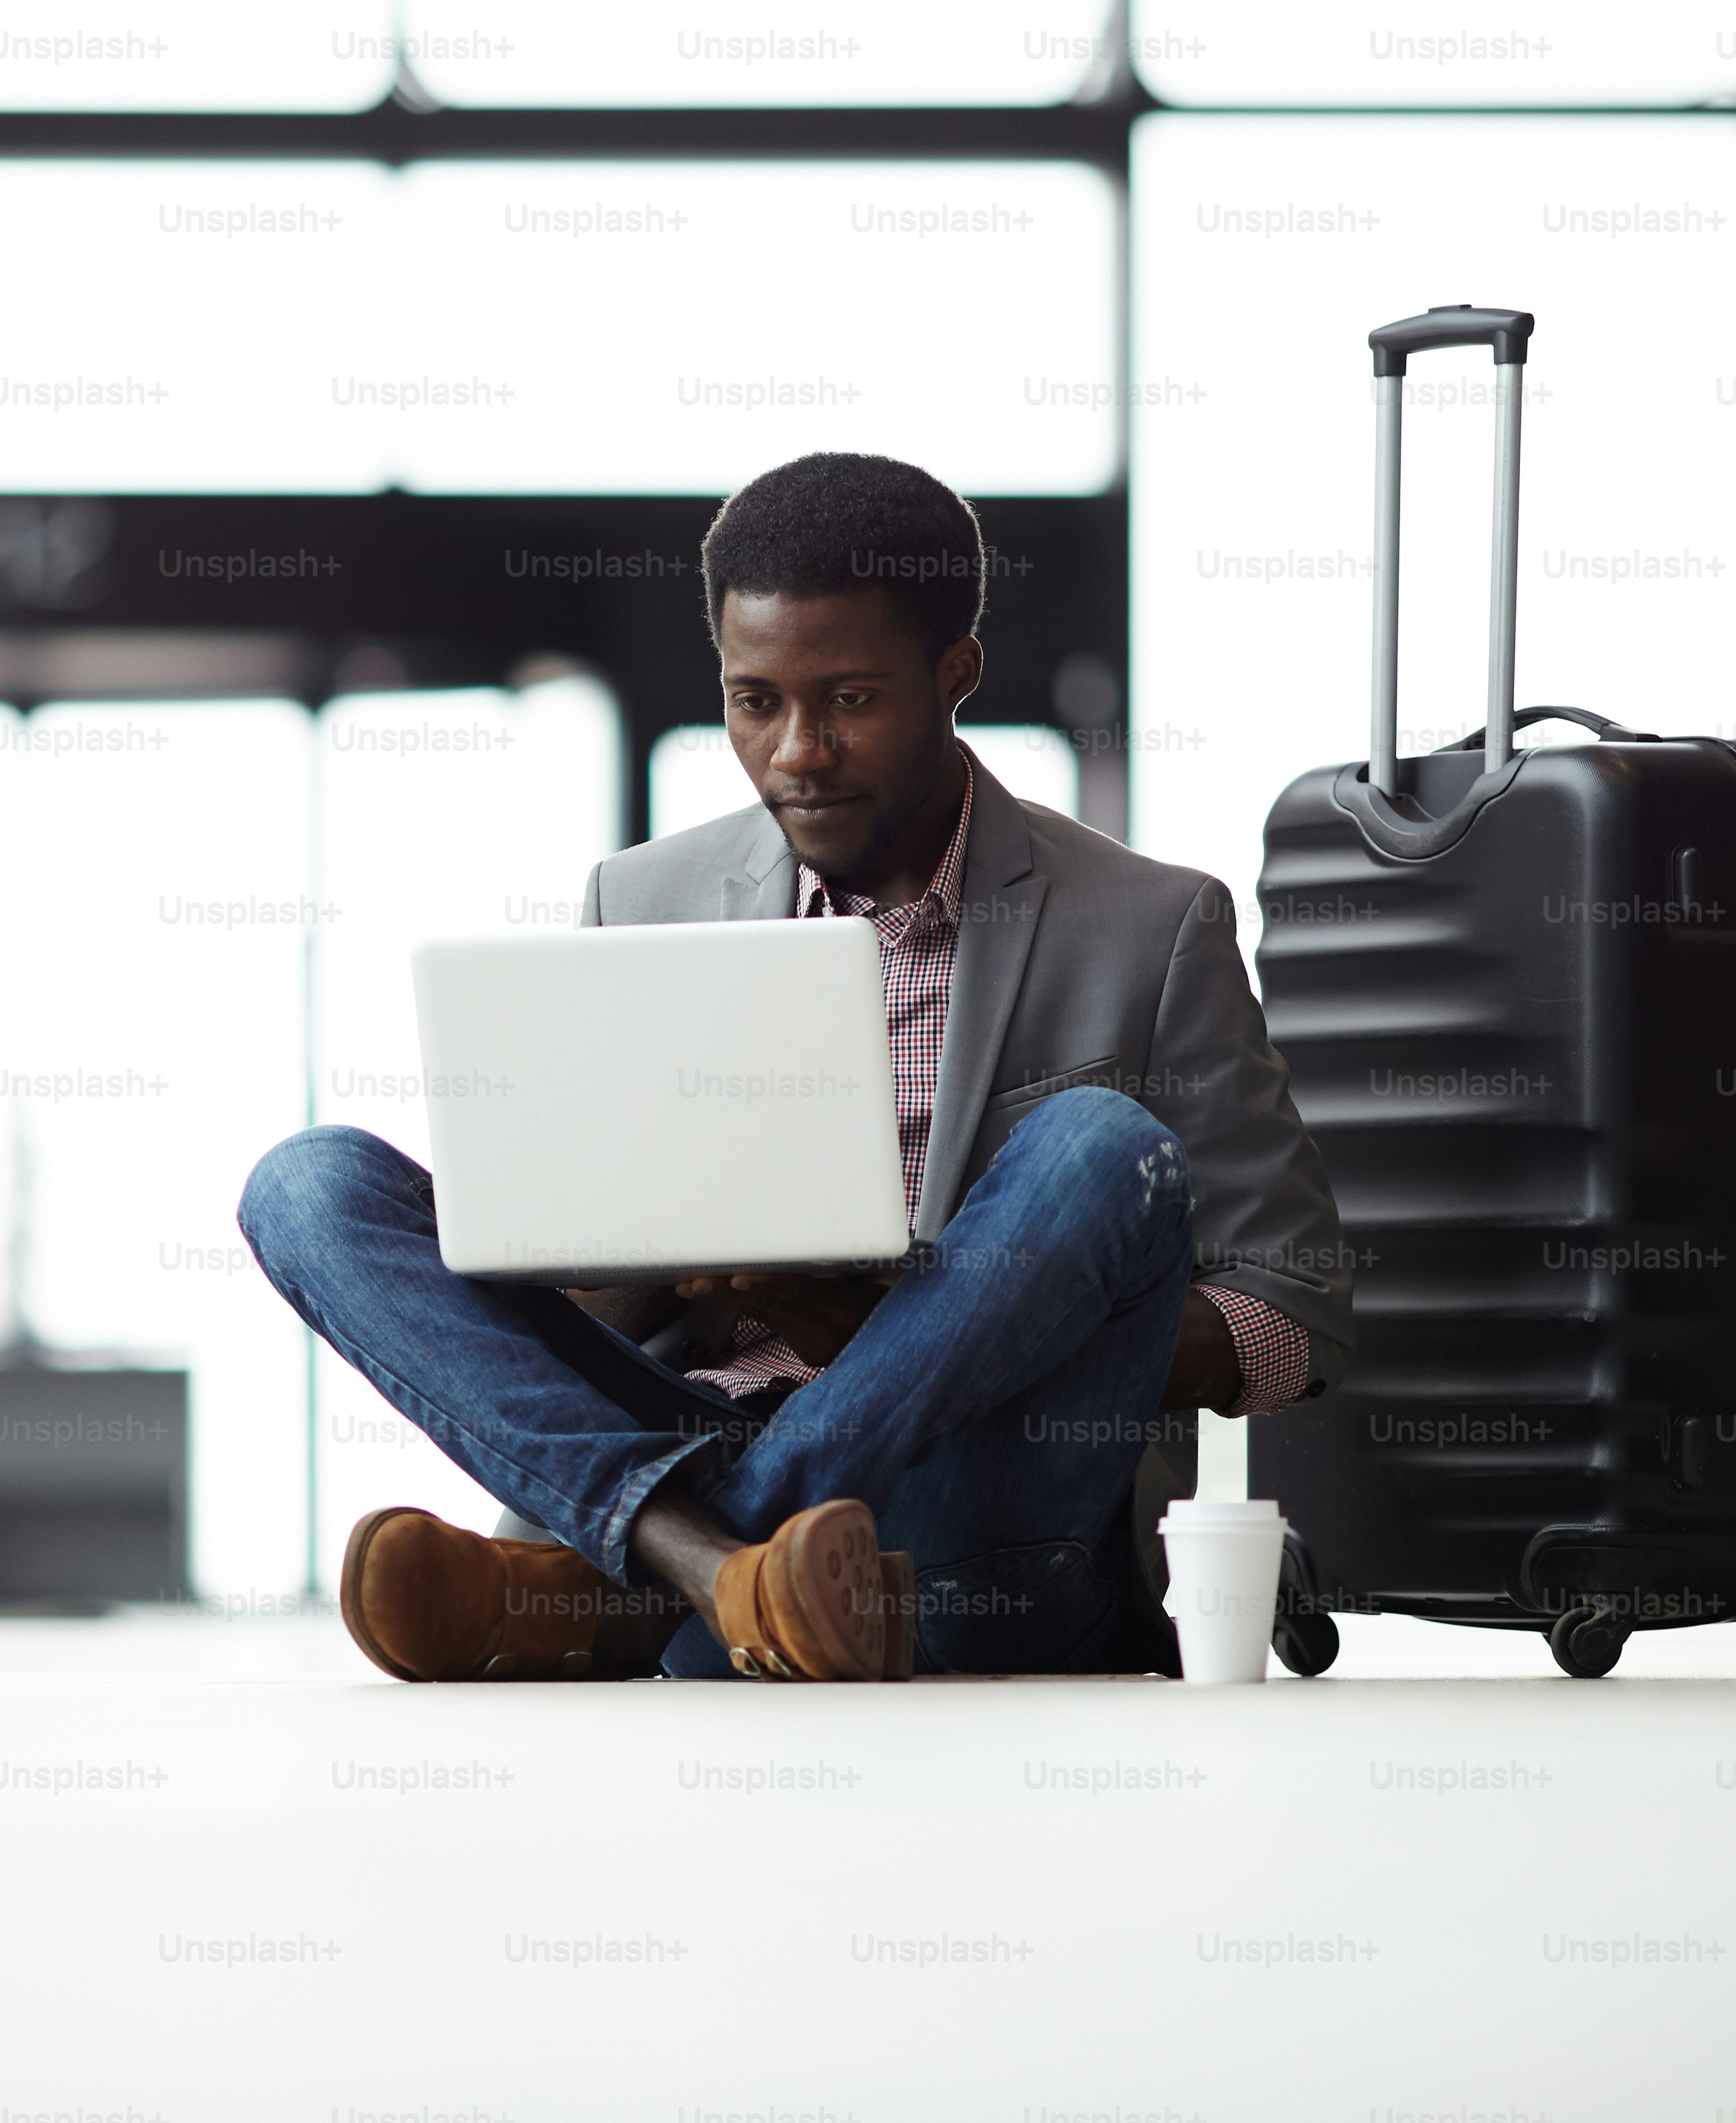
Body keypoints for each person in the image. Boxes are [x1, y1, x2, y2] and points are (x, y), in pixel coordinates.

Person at [238, 452, 1349, 1681]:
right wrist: (658, 1256)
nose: (796, 753)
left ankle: (626, 1587)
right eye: (754, 701)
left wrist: (956, 1312)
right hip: (689, 1440)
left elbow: (1293, 1317)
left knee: (1098, 1145)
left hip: (975, 1507)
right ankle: (718, 1574)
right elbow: (593, 1310)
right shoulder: (645, 898)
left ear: (957, 674)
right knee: (310, 1184)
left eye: (852, 700)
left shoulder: (1149, 926)